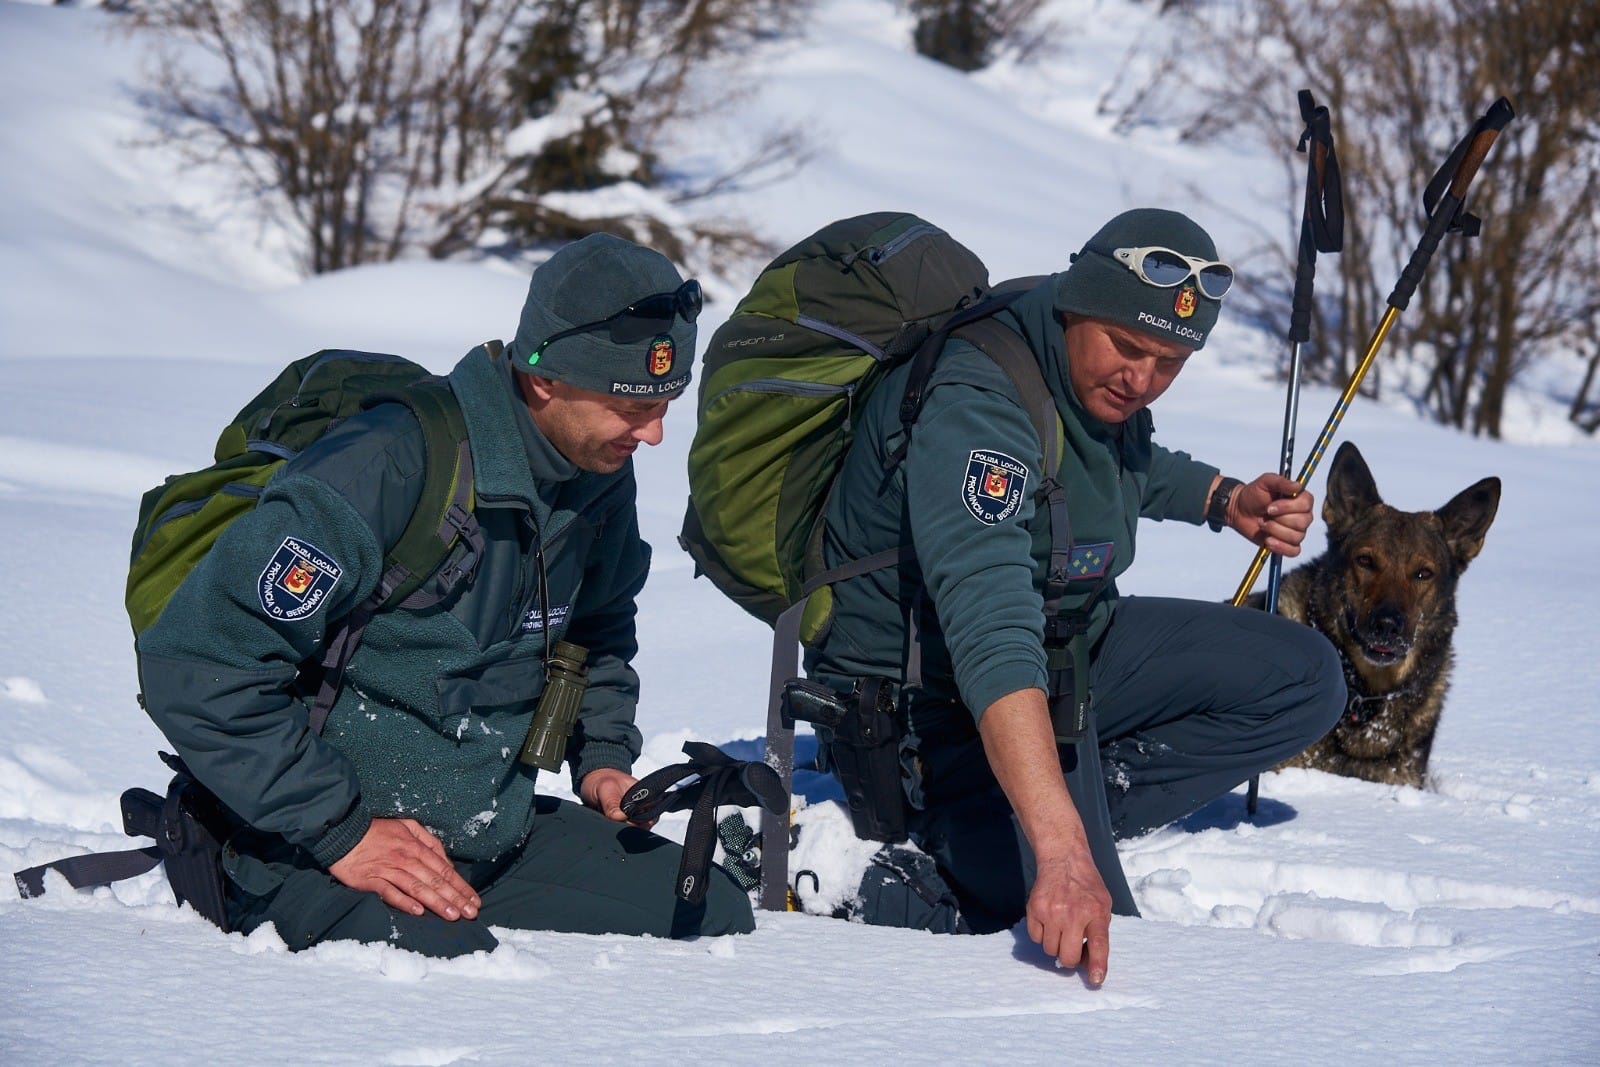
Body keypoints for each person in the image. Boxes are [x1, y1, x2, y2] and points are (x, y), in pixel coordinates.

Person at [135, 233, 755, 956]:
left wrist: (604, 758)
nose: (652, 434)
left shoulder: (598, 475)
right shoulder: (390, 463)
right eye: (629, 404)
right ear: (546, 378)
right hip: (305, 842)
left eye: (665, 403)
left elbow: (598, 626)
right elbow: (195, 661)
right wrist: (342, 831)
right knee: (454, 979)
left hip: (487, 833)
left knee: (710, 908)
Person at [804, 208, 1343, 983]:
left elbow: (1121, 461)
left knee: (1305, 677)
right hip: (926, 699)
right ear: (1077, 302)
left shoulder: (1088, 378)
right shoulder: (979, 400)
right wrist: (1061, 846)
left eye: (1170, 361)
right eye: (1128, 347)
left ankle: (1051, 800)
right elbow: (989, 621)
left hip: (1065, 648)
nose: (1142, 378)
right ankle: (913, 865)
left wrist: (1224, 499)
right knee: (1089, 931)